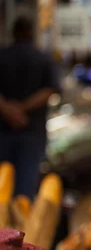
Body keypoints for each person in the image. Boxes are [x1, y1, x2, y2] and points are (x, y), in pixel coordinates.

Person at [0, 16, 60, 199]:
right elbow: (50, 90)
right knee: (25, 188)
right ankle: (21, 227)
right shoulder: (43, 58)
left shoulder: (2, 56)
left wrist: (9, 110)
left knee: (2, 186)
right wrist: (23, 109)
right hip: (32, 131)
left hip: (4, 129)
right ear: (31, 33)